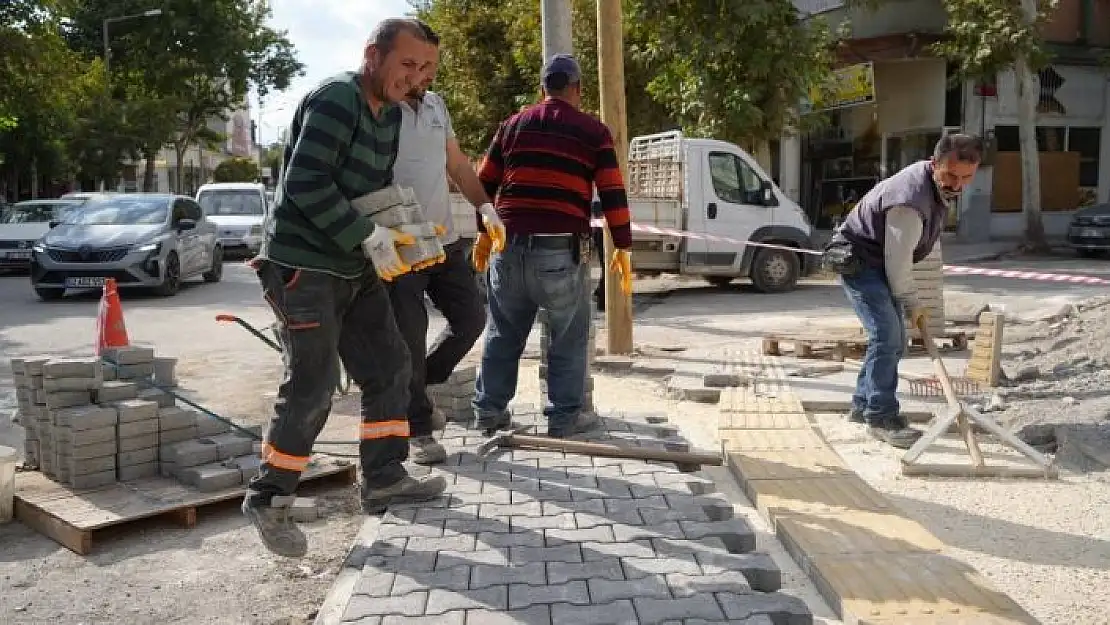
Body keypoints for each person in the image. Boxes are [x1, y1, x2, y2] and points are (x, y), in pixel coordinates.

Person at [241, 18, 448, 559]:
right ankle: (268, 499)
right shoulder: (337, 99)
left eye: (425, 69)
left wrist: (402, 231)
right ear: (373, 55)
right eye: (407, 64)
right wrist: (369, 235)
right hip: (302, 267)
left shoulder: (391, 116)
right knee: (311, 384)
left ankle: (383, 477)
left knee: (390, 364)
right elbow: (305, 184)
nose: (415, 78)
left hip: (350, 265)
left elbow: (370, 189)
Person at [471, 53, 633, 438]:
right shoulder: (593, 132)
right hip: (559, 252)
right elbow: (612, 192)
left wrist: (483, 231)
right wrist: (622, 246)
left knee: (503, 331)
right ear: (576, 89)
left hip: (507, 249)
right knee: (568, 334)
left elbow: (483, 184)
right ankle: (563, 418)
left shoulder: (511, 127)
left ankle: (489, 413)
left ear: (543, 87)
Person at [387, 21, 504, 465]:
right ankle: (417, 429)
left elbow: (457, 165)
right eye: (419, 66)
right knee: (410, 335)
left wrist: (485, 207)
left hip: (445, 240)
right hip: (403, 245)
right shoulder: (382, 110)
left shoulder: (436, 105)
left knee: (472, 317)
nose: (426, 75)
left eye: (432, 66)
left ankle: (416, 388)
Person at [830, 133, 982, 448]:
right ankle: (881, 416)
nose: (957, 184)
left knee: (892, 341)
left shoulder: (933, 186)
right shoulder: (910, 201)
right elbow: (897, 264)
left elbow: (901, 258)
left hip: (880, 261)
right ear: (935, 163)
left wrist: (910, 303)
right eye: (951, 175)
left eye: (966, 177)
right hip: (860, 262)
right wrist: (913, 303)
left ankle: (862, 405)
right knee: (887, 337)